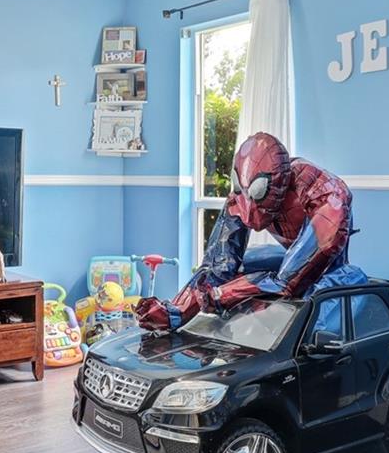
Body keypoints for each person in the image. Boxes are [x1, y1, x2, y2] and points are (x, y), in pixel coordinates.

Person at [136, 132, 361, 331]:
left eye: (258, 194)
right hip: (288, 256)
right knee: (244, 265)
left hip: (326, 263)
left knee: (317, 297)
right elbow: (218, 266)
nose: (249, 210)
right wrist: (176, 312)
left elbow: (288, 282)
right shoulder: (240, 194)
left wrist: (221, 295)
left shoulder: (327, 193)